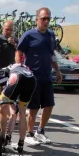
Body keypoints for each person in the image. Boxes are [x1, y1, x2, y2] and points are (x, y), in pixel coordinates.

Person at [16, 8, 62, 146]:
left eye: (48, 19)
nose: (46, 21)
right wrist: (19, 68)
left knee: (49, 105)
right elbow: (18, 52)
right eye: (43, 19)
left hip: (46, 76)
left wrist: (58, 70)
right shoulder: (28, 35)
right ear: (37, 19)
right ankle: (29, 134)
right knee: (34, 107)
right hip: (32, 77)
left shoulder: (51, 35)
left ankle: (40, 131)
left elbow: (52, 54)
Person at [0, 64, 37, 154]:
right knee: (22, 113)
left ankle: (2, 139)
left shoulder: (3, 70)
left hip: (16, 77)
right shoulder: (21, 66)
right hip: (31, 79)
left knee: (2, 107)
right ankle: (20, 143)